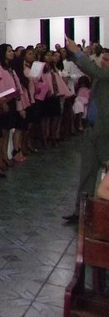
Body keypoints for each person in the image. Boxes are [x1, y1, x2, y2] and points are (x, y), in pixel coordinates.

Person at [63, 37, 109, 222]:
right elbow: (88, 68)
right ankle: (81, 212)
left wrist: (77, 52)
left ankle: (98, 215)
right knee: (86, 174)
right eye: (103, 59)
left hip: (105, 133)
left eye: (108, 60)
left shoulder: (104, 76)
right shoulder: (100, 76)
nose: (104, 63)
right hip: (92, 130)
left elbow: (91, 68)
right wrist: (73, 54)